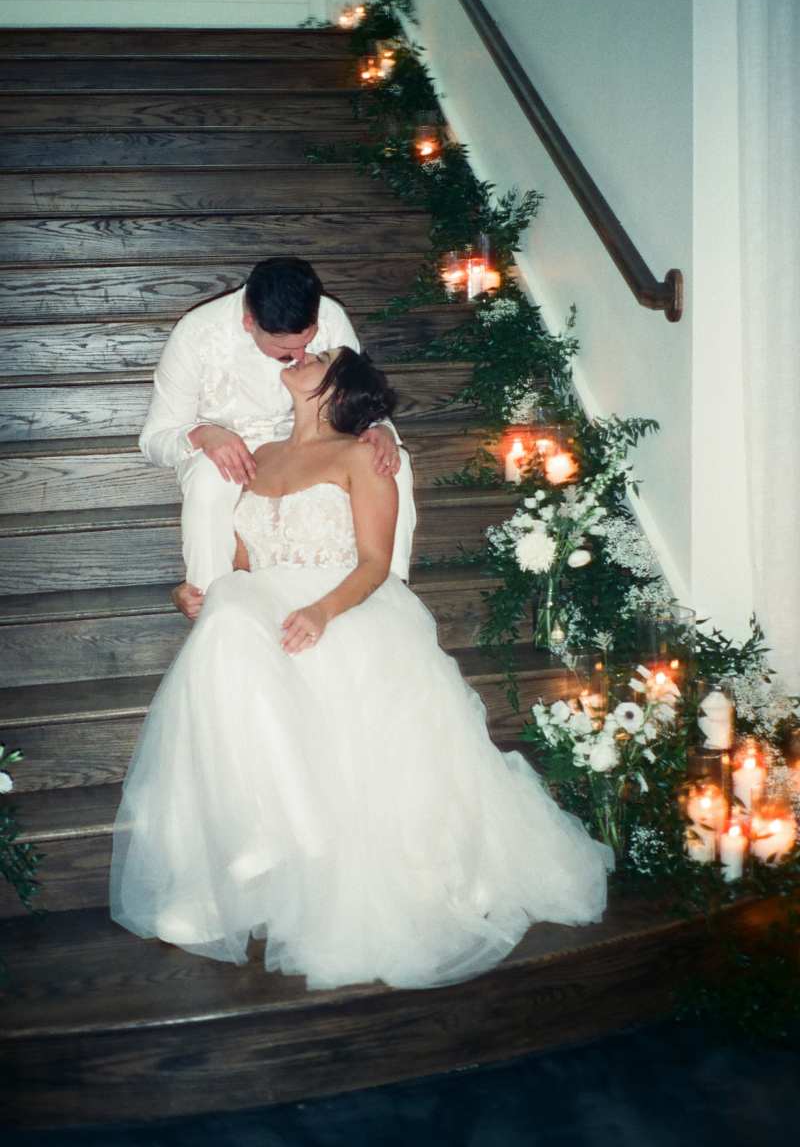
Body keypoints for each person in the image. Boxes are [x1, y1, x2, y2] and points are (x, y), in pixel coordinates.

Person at [110, 348, 613, 991]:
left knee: (245, 632)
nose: (306, 354)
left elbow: (376, 562)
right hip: (264, 607)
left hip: (341, 606)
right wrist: (194, 593)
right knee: (226, 617)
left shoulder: (363, 456)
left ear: (335, 388)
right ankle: (268, 832)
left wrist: (321, 612)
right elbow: (241, 564)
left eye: (320, 355)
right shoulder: (259, 457)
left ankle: (287, 838)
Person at [138, 256, 415, 610]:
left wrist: (381, 428)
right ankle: (210, 601)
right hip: (226, 449)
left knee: (390, 461)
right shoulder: (195, 333)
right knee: (211, 478)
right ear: (249, 323)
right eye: (286, 350)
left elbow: (355, 386)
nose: (301, 355)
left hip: (314, 439)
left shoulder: (330, 315)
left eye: (309, 342)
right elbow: (154, 440)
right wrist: (204, 434)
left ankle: (390, 593)